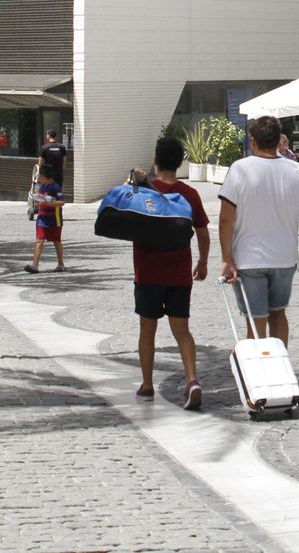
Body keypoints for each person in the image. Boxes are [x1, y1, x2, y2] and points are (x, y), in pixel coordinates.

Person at [219, 116, 299, 343]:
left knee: (255, 322)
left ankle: (259, 374)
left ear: (252, 141)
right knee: (278, 314)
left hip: (248, 258)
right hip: (284, 258)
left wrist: (226, 258)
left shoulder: (239, 169)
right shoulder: (296, 171)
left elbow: (226, 219)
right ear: (278, 141)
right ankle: (280, 365)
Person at [134, 136, 210, 408]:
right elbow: (202, 232)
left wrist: (135, 181)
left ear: (156, 160)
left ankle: (147, 385)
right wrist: (202, 262)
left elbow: (118, 206)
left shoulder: (144, 191)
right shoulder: (189, 194)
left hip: (148, 272)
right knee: (182, 330)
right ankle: (192, 379)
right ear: (180, 163)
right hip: (179, 274)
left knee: (147, 329)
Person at [25, 179, 67, 273]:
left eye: (40, 175)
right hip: (42, 218)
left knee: (56, 241)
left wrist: (49, 203)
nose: (38, 177)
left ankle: (61, 264)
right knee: (39, 240)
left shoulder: (55, 187)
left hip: (54, 219)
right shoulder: (42, 186)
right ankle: (35, 266)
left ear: (45, 176)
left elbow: (62, 202)